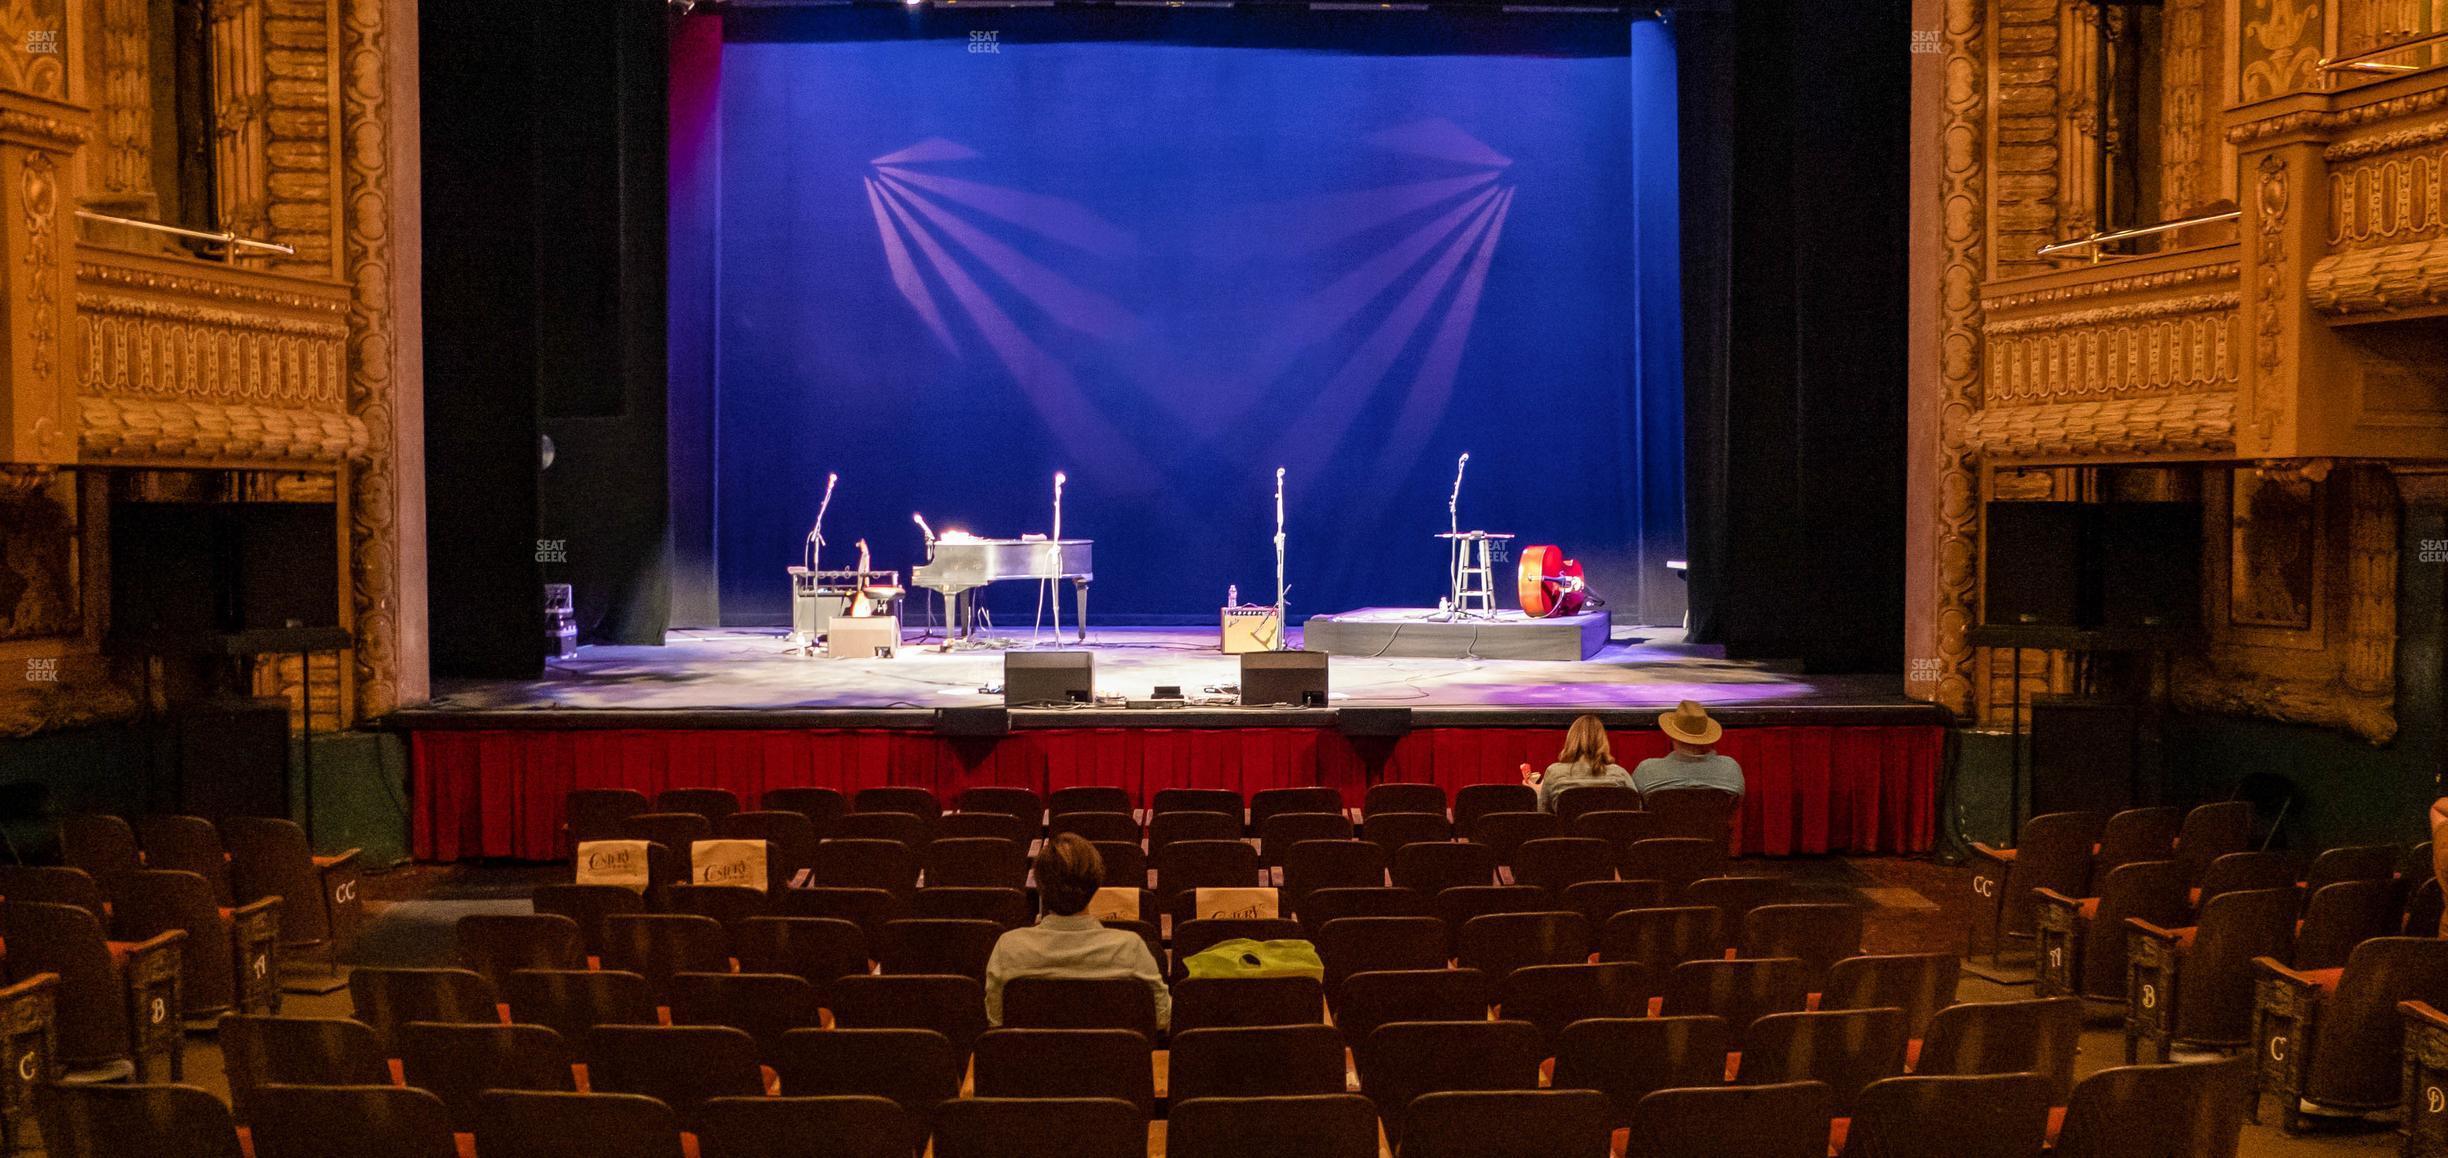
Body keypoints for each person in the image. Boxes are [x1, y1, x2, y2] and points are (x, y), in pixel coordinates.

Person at [983, 832, 1170, 1029]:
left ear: (1039, 885)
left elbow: (996, 1022)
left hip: (1032, 1059)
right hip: (1110, 1059)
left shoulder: (1009, 948)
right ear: (1095, 884)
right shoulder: (1130, 948)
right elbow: (1162, 1019)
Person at [1630, 699, 1745, 798]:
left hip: (1661, 824)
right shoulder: (1730, 768)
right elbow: (1732, 810)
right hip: (1714, 824)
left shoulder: (1647, 770)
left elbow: (1638, 809)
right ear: (1707, 736)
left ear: (1671, 735)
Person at [1523, 714, 1637, 812]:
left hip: (1566, 836)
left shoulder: (1554, 772)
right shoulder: (1619, 773)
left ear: (1570, 740)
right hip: (1612, 837)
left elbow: (1544, 814)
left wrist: (1538, 793)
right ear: (1604, 741)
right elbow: (1637, 811)